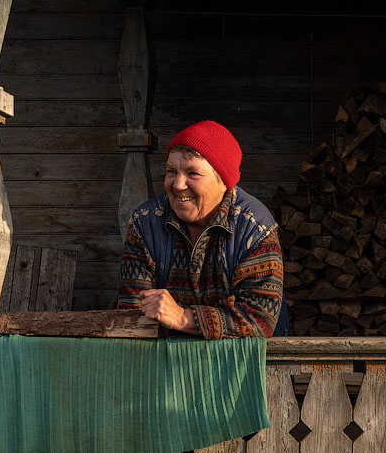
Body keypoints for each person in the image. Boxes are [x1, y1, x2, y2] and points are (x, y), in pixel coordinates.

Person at [118, 120, 288, 337]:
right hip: (167, 358)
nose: (178, 184)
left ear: (223, 181)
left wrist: (182, 317)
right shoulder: (145, 223)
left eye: (192, 174)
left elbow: (257, 319)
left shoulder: (254, 228)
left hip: (249, 358)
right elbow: (133, 314)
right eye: (171, 171)